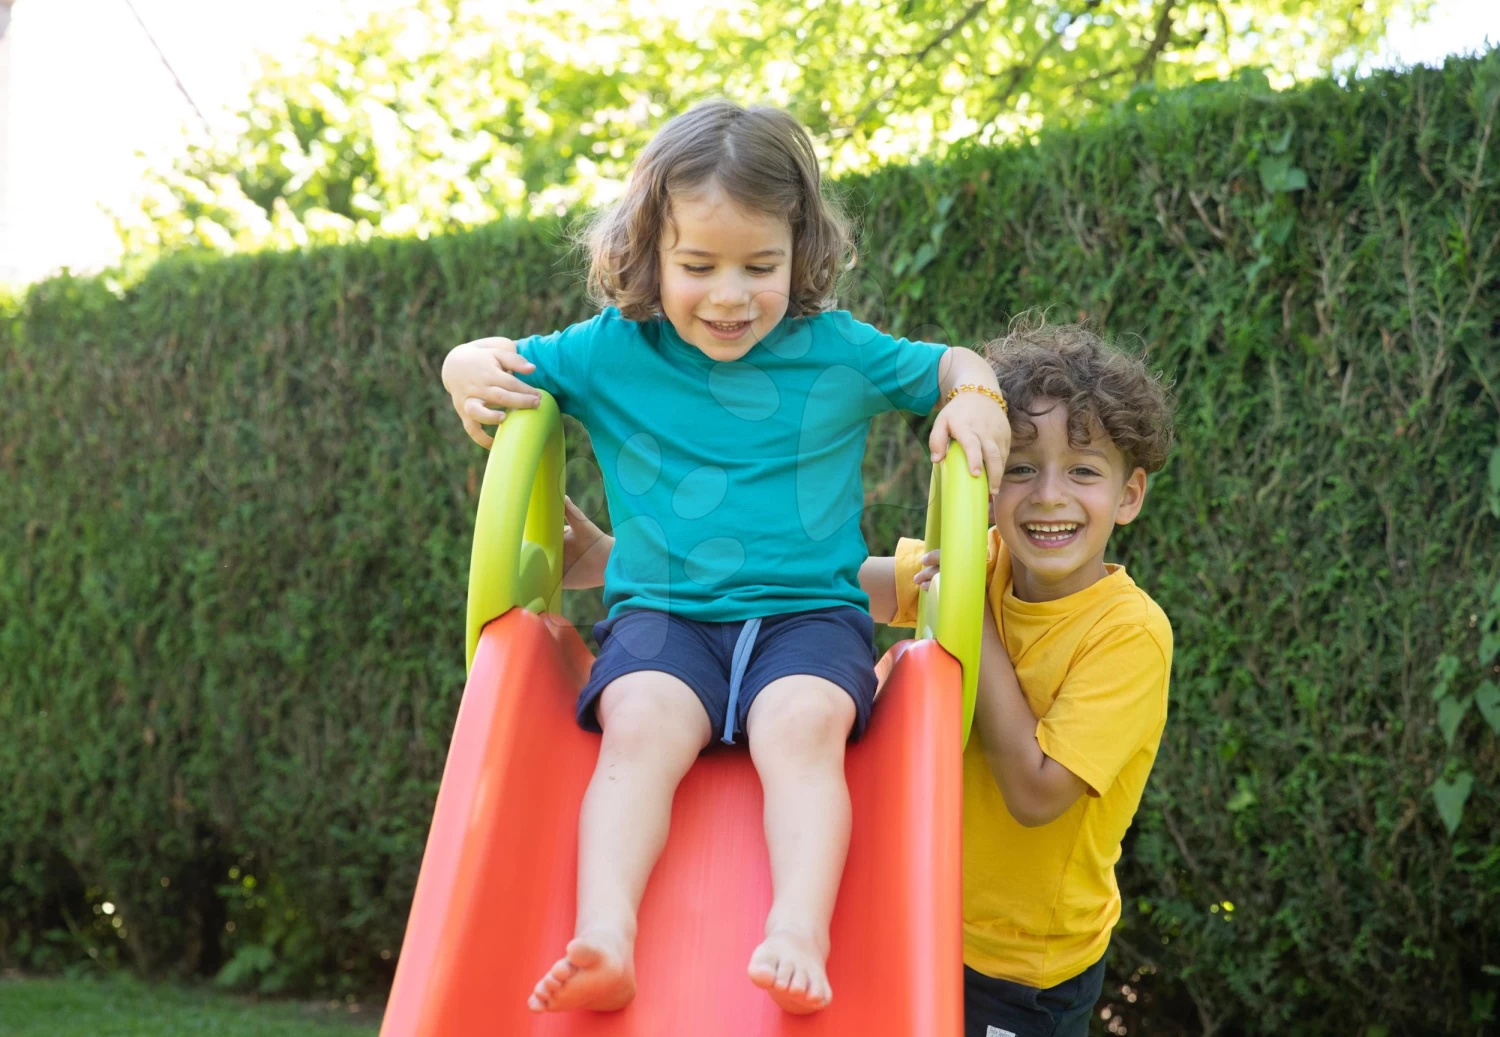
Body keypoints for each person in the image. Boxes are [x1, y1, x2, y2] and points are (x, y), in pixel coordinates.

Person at [440, 99, 1011, 1016]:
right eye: (697, 265)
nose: (731, 295)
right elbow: (498, 364)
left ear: (803, 250)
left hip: (808, 620)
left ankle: (797, 927)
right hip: (664, 618)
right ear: (648, 253)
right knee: (639, 730)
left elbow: (948, 363)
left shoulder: (835, 350)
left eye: (762, 265)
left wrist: (978, 392)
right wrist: (460, 363)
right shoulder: (612, 352)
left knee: (804, 730)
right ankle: (609, 932)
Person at [866, 314, 1177, 1037]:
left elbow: (1037, 791)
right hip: (927, 917)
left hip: (1023, 972)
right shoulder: (982, 562)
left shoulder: (1129, 633)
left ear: (1129, 495)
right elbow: (826, 586)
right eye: (1021, 466)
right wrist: (614, 560)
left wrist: (970, 614)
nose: (1047, 495)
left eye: (1084, 470)